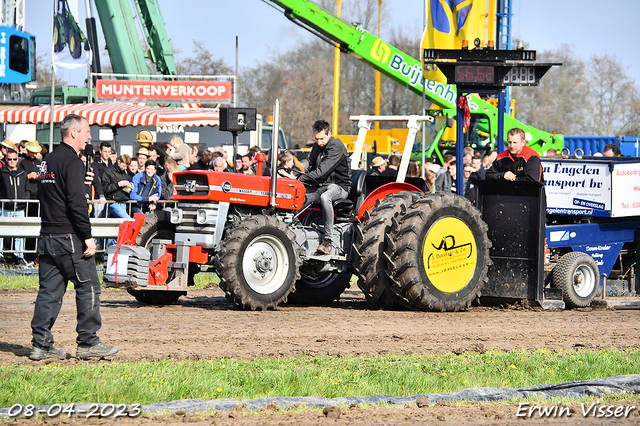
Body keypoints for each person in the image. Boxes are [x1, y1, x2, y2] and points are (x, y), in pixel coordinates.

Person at [30, 114, 119, 361]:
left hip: (47, 234)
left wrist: (80, 181)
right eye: (86, 132)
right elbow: (76, 202)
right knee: (89, 286)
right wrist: (88, 236)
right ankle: (88, 342)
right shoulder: (72, 161)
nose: (89, 137)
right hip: (68, 236)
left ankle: (41, 344)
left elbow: (46, 193)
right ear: (73, 134)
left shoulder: (49, 160)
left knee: (49, 291)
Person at [299, 120, 351, 255]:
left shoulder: (336, 146)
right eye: (316, 139)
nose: (319, 142)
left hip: (339, 187)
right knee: (300, 196)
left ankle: (327, 240)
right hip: (322, 185)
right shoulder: (317, 146)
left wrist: (300, 179)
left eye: (321, 138)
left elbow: (322, 171)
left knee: (325, 197)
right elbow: (311, 169)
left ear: (329, 134)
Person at [0, 149, 28, 265]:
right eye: (9, 159)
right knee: (1, 232)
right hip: (5, 207)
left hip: (19, 208)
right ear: (6, 160)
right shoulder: (1, 173)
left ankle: (18, 255)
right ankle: (1, 255)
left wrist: (25, 200)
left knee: (19, 233)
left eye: (14, 159)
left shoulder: (22, 173)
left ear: (17, 159)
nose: (12, 161)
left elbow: (27, 189)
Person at [102, 154, 133, 219]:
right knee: (128, 220)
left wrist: (129, 187)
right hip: (112, 202)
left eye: (126, 166)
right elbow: (104, 189)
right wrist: (118, 184)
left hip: (123, 201)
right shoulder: (108, 171)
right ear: (118, 161)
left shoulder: (125, 173)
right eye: (124, 165)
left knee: (124, 224)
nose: (125, 168)